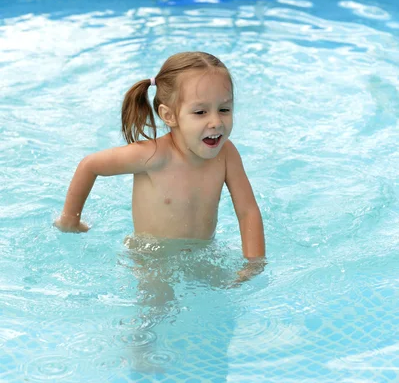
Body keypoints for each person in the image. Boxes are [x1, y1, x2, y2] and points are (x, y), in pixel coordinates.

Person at [55, 51, 265, 283]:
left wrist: (253, 264)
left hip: (203, 254)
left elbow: (248, 212)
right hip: (152, 258)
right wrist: (70, 220)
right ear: (169, 115)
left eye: (224, 109)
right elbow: (90, 165)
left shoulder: (227, 155)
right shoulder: (152, 156)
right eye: (200, 112)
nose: (216, 121)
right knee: (157, 311)